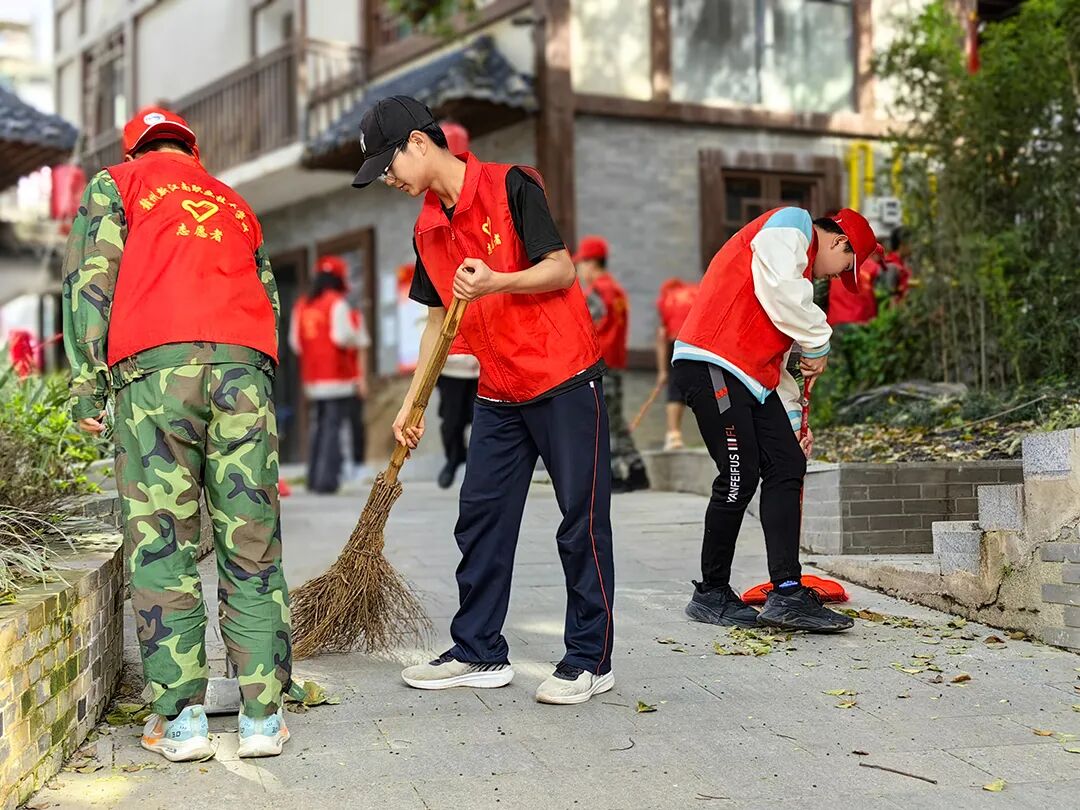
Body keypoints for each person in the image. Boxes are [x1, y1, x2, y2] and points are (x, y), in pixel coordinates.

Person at [353, 95, 615, 704]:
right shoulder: (427, 227)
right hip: (498, 385)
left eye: (389, 165)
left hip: (562, 374)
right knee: (480, 517)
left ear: (419, 143)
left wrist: (499, 281)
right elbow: (435, 320)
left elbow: (561, 269)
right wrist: (412, 402)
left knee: (580, 519)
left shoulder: (511, 185)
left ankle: (590, 658)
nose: (388, 179)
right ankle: (478, 650)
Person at [62, 107, 294, 760]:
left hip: (155, 374)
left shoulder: (117, 184)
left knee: (163, 542)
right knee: (252, 541)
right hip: (243, 371)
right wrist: (257, 373)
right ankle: (261, 717)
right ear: (191, 151)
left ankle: (183, 720)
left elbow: (90, 282)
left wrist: (87, 383)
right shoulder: (233, 201)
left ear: (134, 151)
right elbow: (269, 296)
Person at [672, 207, 881, 633]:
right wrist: (818, 340)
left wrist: (793, 421)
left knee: (787, 463)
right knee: (739, 476)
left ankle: (787, 594)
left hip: (750, 378)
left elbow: (780, 365)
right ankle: (711, 593)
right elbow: (783, 293)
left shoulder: (794, 275)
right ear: (840, 242)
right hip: (713, 363)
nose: (834, 276)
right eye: (844, 266)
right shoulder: (792, 223)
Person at [289, 255, 370, 493]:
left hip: (313, 377)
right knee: (333, 428)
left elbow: (295, 343)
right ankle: (327, 481)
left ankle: (314, 478)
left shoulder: (302, 305)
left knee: (320, 426)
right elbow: (342, 337)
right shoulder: (337, 303)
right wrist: (357, 337)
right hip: (337, 376)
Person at [576, 235, 650, 493]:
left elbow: (584, 328)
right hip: (615, 361)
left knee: (603, 420)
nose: (580, 271)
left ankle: (615, 474)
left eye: (581, 264)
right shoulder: (616, 291)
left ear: (591, 263)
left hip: (599, 362)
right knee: (615, 419)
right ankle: (637, 469)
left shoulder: (596, 292)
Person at [654, 278, 699, 450]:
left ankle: (674, 435)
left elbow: (662, 335)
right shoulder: (695, 292)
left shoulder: (666, 299)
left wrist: (662, 371)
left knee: (675, 388)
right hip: (702, 343)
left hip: (679, 342)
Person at [436, 348, 480, 489]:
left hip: (481, 371)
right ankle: (453, 459)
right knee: (451, 423)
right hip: (450, 371)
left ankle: (481, 467)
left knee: (482, 422)